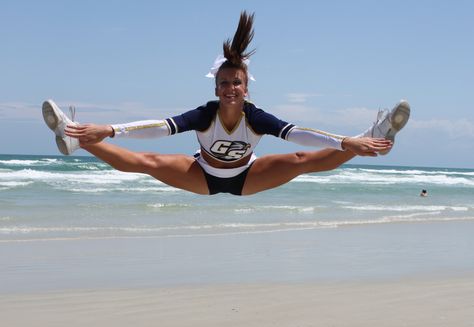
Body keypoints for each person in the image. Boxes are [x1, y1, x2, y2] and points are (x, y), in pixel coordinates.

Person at [42, 11, 410, 196]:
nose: (230, 88)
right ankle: (78, 139)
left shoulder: (256, 117)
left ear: (246, 87)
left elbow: (299, 134)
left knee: (304, 162)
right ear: (216, 87)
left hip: (247, 177)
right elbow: (159, 126)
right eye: (224, 83)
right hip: (202, 175)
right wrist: (109, 129)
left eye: (236, 82)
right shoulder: (205, 114)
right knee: (147, 163)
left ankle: (371, 139)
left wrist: (348, 142)